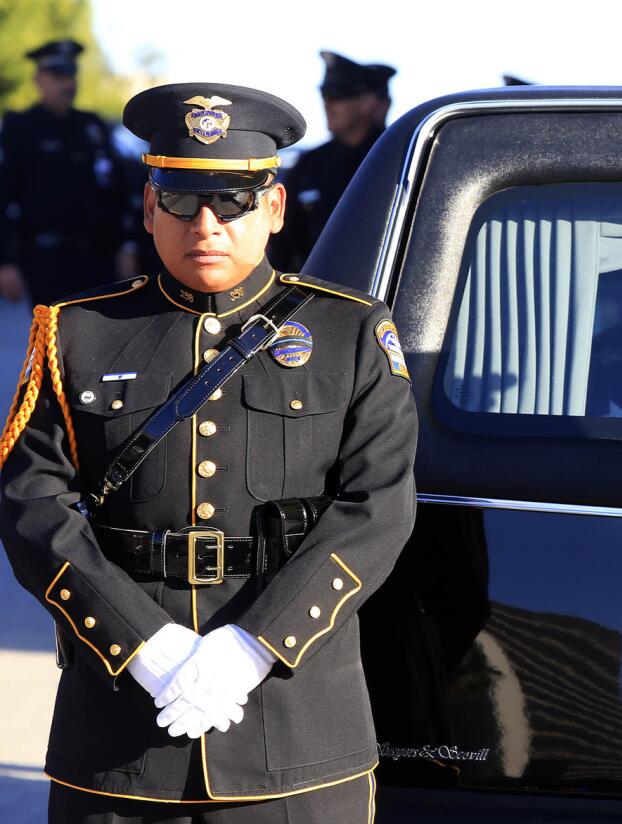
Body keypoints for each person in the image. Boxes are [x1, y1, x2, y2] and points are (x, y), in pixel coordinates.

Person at [0, 82, 418, 821]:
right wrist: (143, 646)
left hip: (293, 727)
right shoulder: (77, 332)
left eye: (233, 201)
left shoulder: (350, 335)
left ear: (275, 209)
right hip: (120, 731)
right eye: (184, 200)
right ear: (149, 208)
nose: (208, 223)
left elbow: (376, 506)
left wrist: (256, 645)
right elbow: (33, 504)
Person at [0, 39, 135, 307]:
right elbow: (3, 198)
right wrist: (5, 262)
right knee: (53, 343)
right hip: (46, 261)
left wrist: (127, 246)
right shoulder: (19, 129)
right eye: (58, 76)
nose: (68, 84)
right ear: (39, 78)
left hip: (98, 259)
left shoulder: (92, 127)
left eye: (71, 75)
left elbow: (119, 191)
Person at [269, 51, 395, 273]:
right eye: (324, 95)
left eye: (337, 95)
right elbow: (283, 247)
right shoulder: (310, 165)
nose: (327, 104)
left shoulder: (398, 159)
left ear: (369, 102)